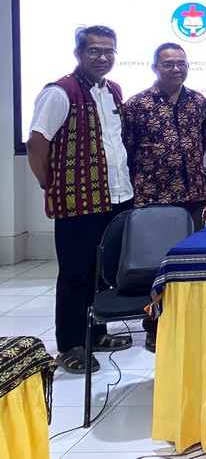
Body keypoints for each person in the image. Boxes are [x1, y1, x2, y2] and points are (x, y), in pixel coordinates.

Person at [25, 26, 134, 373]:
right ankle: (70, 344)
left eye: (109, 51)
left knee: (102, 272)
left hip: (117, 196)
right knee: (75, 274)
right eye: (94, 51)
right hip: (78, 201)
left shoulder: (113, 91)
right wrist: (49, 182)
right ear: (79, 53)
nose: (102, 57)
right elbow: (36, 143)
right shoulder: (60, 92)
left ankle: (96, 333)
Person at [123, 43, 206, 224]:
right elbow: (128, 149)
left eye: (181, 64)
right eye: (168, 64)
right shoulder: (137, 104)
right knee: (155, 243)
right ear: (155, 67)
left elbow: (204, 143)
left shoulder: (199, 101)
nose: (176, 69)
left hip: (194, 193)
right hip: (152, 196)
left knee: (194, 241)